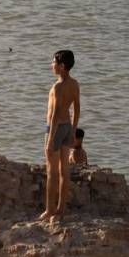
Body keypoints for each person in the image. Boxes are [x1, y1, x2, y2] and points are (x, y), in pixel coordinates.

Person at [40, 50, 80, 220]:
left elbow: (55, 114)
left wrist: (50, 140)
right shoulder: (74, 84)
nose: (52, 65)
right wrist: (73, 130)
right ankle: (61, 208)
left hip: (55, 130)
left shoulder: (58, 87)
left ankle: (50, 210)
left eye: (54, 62)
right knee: (64, 169)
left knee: (52, 171)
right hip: (67, 127)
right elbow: (77, 108)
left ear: (62, 66)